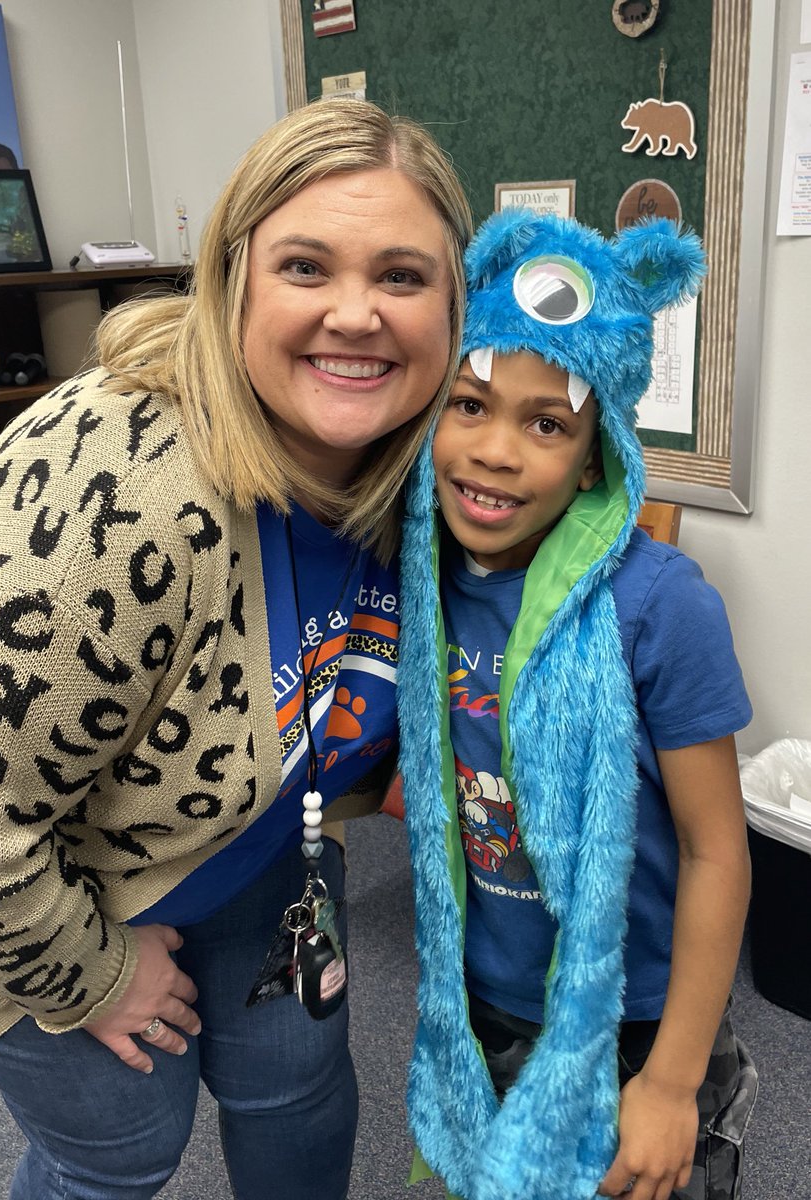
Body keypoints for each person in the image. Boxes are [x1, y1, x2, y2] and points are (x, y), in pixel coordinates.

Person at [0, 97, 472, 1200]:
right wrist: (88, 977)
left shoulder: (415, 463)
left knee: (299, 1090)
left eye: (403, 277)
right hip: (35, 892)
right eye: (306, 267)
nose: (358, 314)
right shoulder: (121, 493)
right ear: (232, 280)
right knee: (123, 1147)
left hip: (262, 842)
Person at [397, 210, 758, 1200]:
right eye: (467, 406)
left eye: (545, 423)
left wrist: (674, 1082)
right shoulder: (419, 583)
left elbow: (716, 849)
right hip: (485, 1003)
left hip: (641, 1019)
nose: (495, 450)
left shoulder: (658, 606)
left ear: (597, 456)